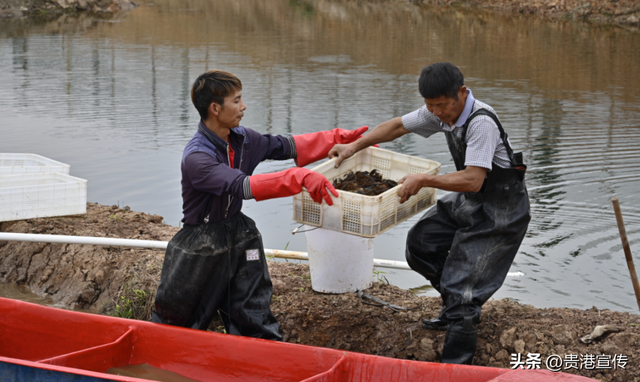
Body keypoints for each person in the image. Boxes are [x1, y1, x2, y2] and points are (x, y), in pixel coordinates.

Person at [329, 62, 531, 364]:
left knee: (463, 290)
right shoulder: (441, 112)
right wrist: (354, 146)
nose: (436, 112)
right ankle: (455, 310)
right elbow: (397, 126)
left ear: (462, 93)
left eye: (441, 106)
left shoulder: (481, 122)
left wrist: (422, 179)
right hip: (471, 199)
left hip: (501, 209)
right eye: (429, 106)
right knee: (420, 245)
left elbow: (474, 178)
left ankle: (455, 362)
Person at [152, 70, 368, 339]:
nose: (244, 106)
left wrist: (339, 139)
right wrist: (297, 177)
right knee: (178, 323)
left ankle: (259, 357)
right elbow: (241, 186)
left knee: (251, 310)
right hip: (201, 245)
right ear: (215, 108)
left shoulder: (242, 139)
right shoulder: (197, 157)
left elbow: (283, 146)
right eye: (237, 100)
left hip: (240, 236)